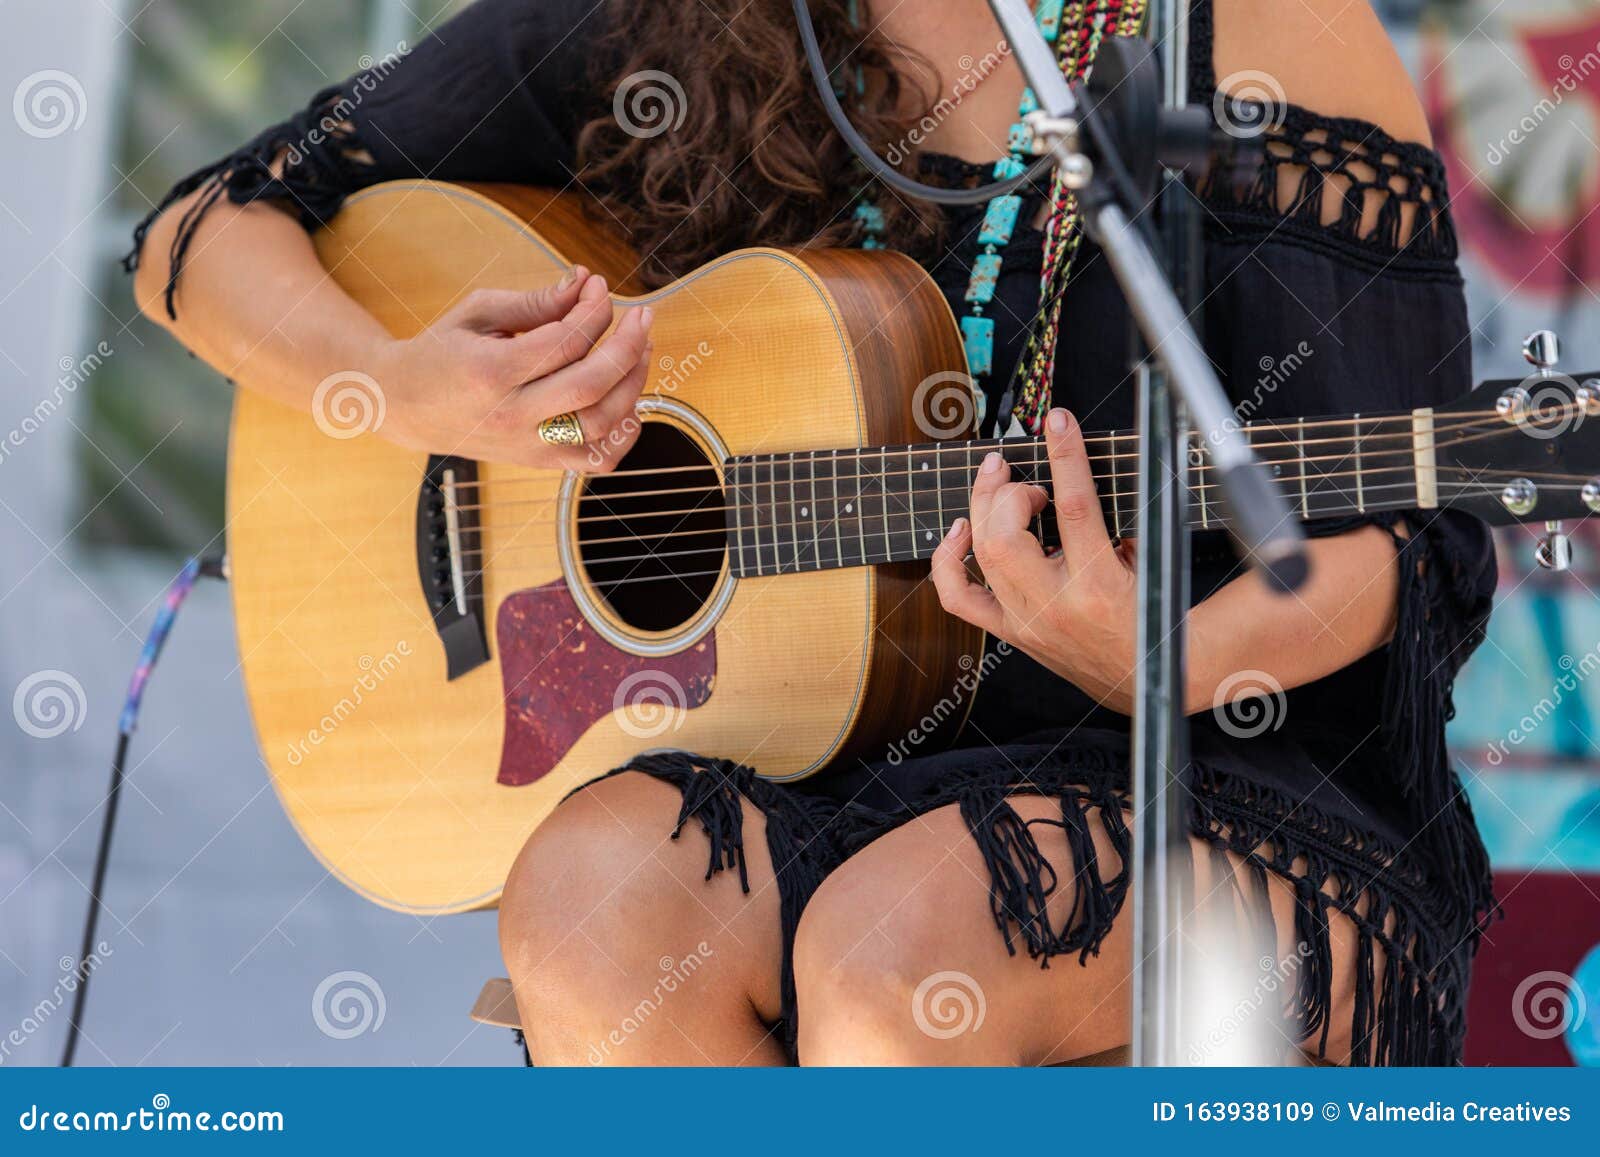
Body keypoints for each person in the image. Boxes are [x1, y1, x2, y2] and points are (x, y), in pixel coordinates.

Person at [131, 0, 1496, 1066]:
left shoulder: (1244, 33)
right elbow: (201, 229)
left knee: (894, 945)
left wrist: (1172, 661)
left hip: (1225, 782)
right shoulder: (659, 30)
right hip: (828, 763)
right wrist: (396, 378)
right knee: (593, 902)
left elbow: (1412, 532)